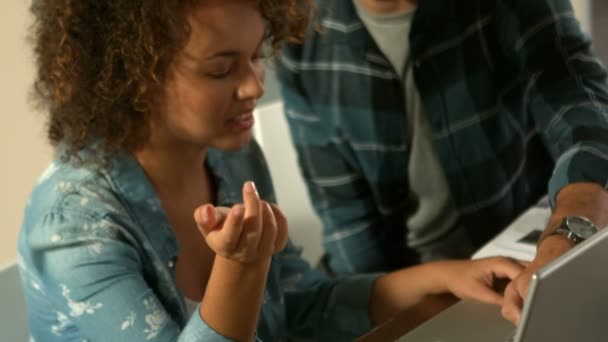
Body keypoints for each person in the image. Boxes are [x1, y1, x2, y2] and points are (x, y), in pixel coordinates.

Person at [17, 0, 528, 341]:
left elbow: (297, 304)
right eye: (221, 69)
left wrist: (445, 277)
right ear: (132, 74)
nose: (255, 87)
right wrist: (240, 267)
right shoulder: (71, 225)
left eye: (258, 56)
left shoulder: (229, 155)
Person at [276, 0, 608, 325]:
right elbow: (349, 228)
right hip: (409, 290)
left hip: (523, 260)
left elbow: (582, 105)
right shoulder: (302, 33)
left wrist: (570, 230)